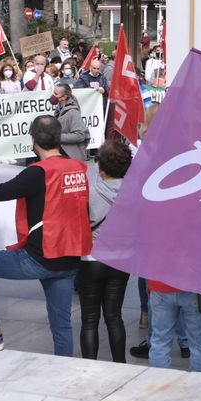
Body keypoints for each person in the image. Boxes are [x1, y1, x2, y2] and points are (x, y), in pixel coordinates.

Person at [0, 118, 90, 355]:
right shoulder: (78, 168)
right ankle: (66, 372)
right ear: (59, 138)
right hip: (69, 259)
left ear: (33, 141)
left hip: (40, 258)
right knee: (62, 325)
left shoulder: (38, 173)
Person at [77, 138, 131, 362]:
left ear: (100, 164)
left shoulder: (89, 187)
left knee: (89, 320)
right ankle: (121, 364)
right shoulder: (134, 191)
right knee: (114, 316)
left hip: (91, 259)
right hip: (121, 260)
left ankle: (89, 367)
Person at [50, 84, 90, 162]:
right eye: (53, 93)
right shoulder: (60, 110)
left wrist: (57, 137)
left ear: (64, 97)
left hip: (72, 157)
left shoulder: (73, 113)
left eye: (56, 94)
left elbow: (80, 135)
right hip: (65, 155)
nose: (53, 96)